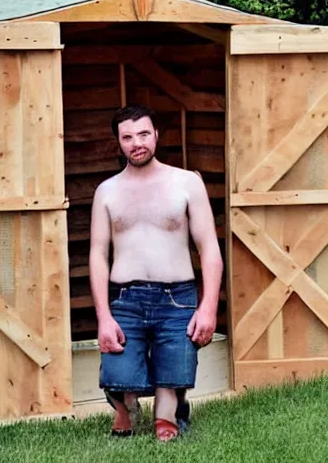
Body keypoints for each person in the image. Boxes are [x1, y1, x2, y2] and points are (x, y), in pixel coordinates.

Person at [89, 105, 223, 441]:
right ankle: (125, 406)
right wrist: (104, 317)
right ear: (118, 143)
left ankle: (170, 412)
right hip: (125, 299)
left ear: (156, 135)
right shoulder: (107, 191)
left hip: (177, 298)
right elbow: (97, 255)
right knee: (118, 379)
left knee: (168, 407)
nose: (137, 143)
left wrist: (208, 307)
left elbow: (209, 248)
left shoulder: (187, 183)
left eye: (144, 134)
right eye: (128, 137)